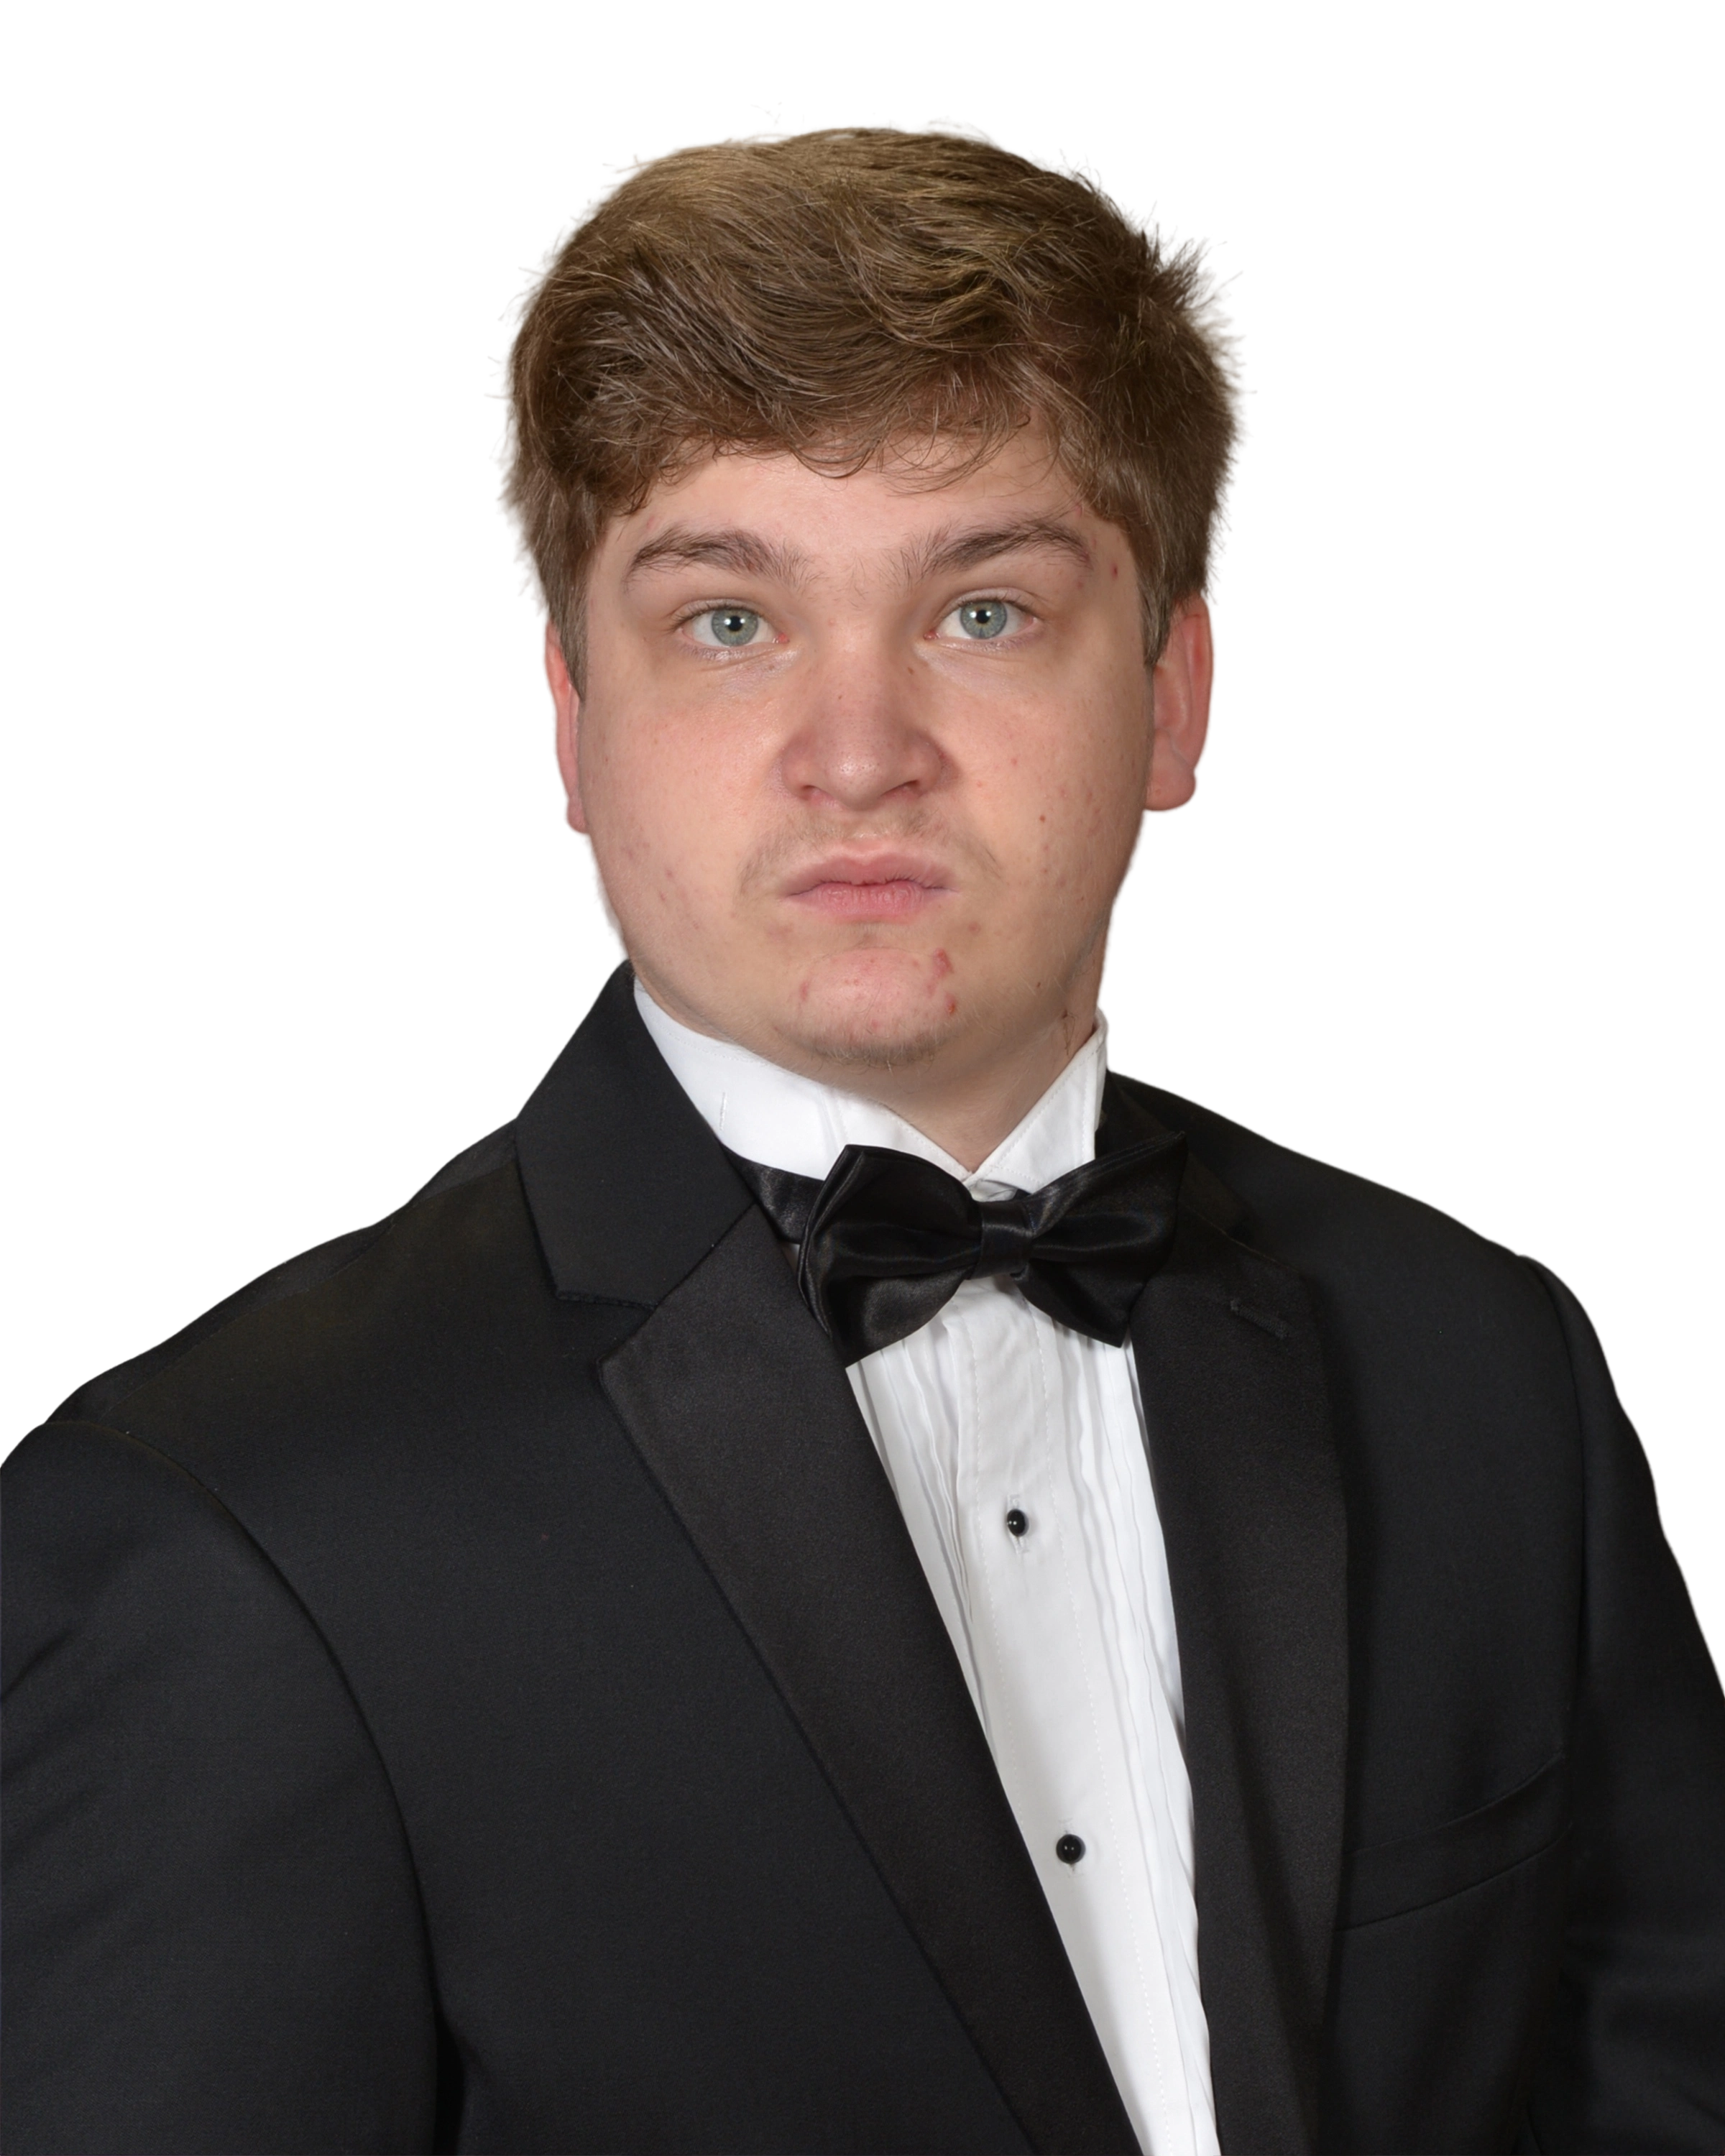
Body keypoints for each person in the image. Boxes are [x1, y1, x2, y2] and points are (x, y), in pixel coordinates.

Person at [4, 114, 1721, 2156]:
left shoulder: (1487, 1364)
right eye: (730, 621)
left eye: (983, 610)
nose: (858, 755)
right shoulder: (222, 1527)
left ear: (1175, 695)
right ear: (569, 721)